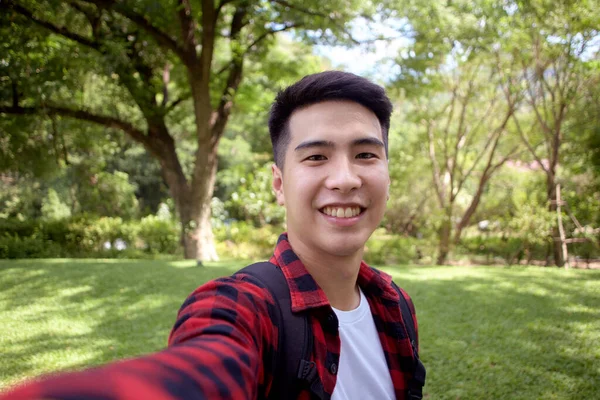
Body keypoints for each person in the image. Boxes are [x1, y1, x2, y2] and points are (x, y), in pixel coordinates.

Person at [1, 71, 424, 400]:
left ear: (387, 171)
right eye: (316, 157)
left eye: (366, 154)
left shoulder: (395, 306)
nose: (345, 179)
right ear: (278, 183)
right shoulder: (242, 306)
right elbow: (205, 365)